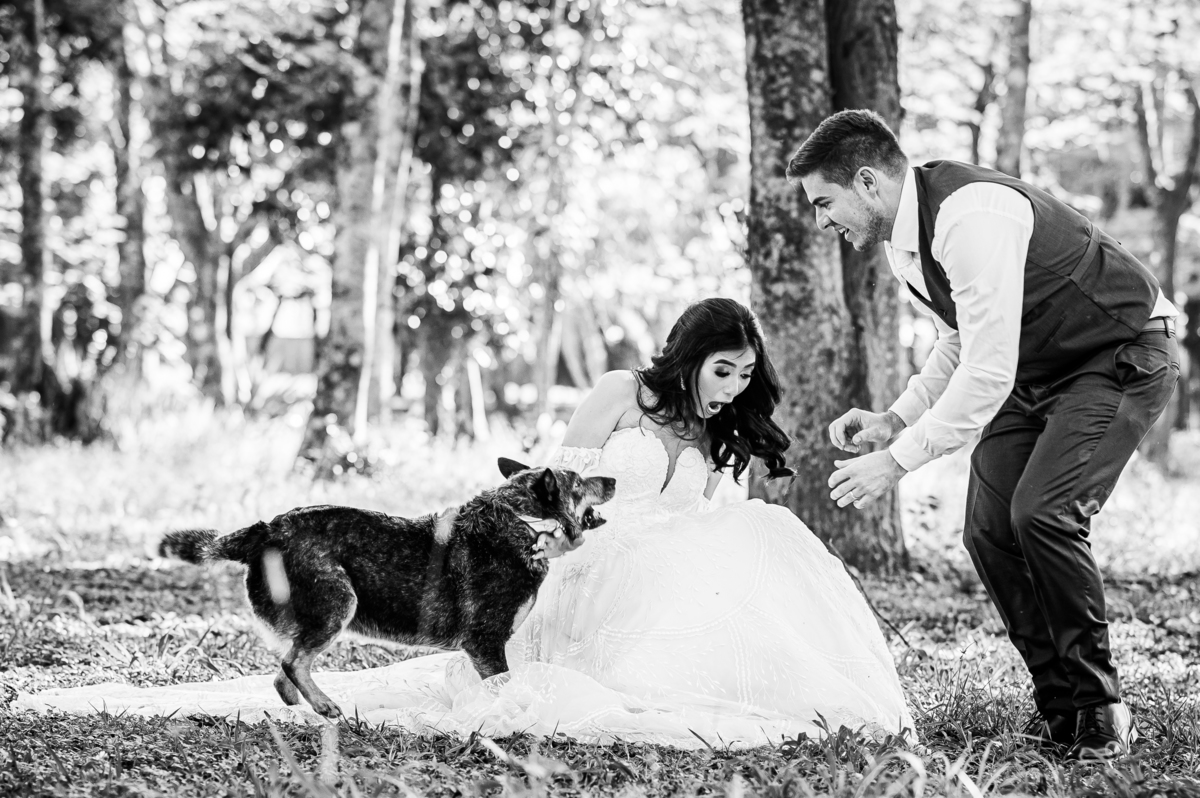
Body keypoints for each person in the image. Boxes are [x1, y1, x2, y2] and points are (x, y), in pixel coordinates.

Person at [18, 298, 915, 748]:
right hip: (592, 559)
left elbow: (712, 515)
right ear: (687, 355)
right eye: (722, 371)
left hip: (675, 570)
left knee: (752, 548)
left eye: (744, 376)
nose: (732, 388)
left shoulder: (724, 433)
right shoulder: (621, 393)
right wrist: (558, 536)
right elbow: (550, 486)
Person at [787, 109, 1180, 761]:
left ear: (866, 182)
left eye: (824, 203)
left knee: (1044, 514)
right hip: (1037, 372)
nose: (822, 222)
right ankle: (1060, 706)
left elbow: (988, 372)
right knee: (989, 531)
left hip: (1120, 351)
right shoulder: (903, 245)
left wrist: (897, 461)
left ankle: (1100, 707)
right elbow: (956, 341)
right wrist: (895, 419)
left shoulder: (969, 216)